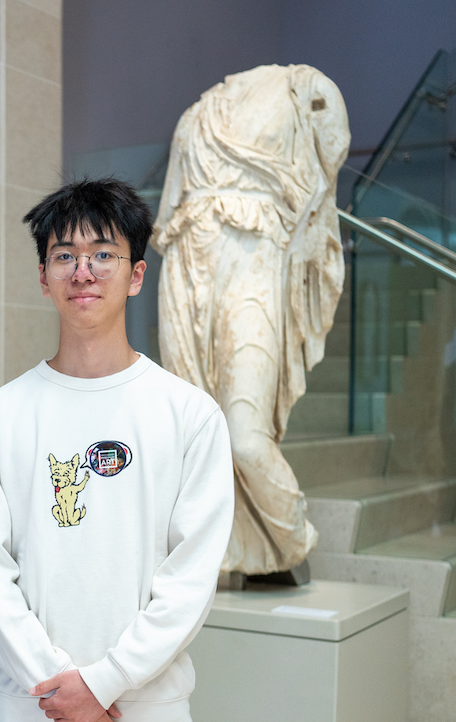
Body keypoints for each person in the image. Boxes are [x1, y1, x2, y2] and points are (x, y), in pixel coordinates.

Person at [0, 178, 234, 722]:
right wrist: (61, 690)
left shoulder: (188, 414)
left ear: (137, 274)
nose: (83, 270)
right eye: (65, 255)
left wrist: (104, 683)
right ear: (44, 277)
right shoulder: (1, 415)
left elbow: (190, 578)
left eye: (103, 254)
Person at [153, 64, 350, 580]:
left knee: (244, 434)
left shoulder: (304, 86)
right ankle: (223, 552)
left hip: (256, 261)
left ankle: (289, 541)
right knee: (193, 433)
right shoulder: (193, 116)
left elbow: (329, 166)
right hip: (185, 270)